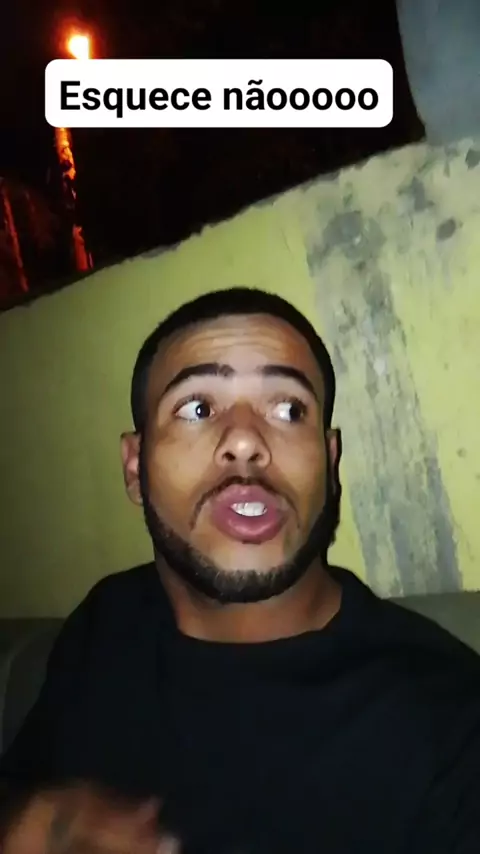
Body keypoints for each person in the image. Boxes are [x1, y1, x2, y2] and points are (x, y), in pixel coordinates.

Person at [1, 287, 479, 854]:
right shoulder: (107, 621)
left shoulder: (450, 726)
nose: (246, 441)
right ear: (134, 468)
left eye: (289, 410)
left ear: (330, 462)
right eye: (197, 409)